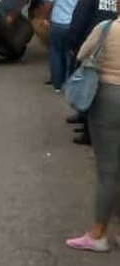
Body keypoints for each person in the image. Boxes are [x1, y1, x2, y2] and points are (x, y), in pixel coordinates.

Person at [65, 18, 120, 252]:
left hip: (108, 98)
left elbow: (81, 55)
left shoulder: (106, 27)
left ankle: (98, 234)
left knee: (108, 171)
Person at [66, 0, 119, 145]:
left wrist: (72, 44)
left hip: (93, 47)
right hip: (114, 47)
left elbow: (78, 20)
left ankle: (88, 133)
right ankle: (84, 119)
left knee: (89, 89)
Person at [41, 0, 87, 91]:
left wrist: (45, 18)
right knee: (71, 54)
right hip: (74, 26)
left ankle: (57, 85)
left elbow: (48, 2)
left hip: (58, 24)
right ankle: (70, 83)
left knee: (56, 52)